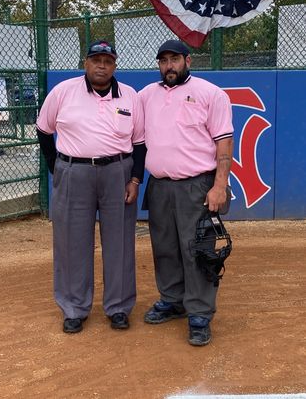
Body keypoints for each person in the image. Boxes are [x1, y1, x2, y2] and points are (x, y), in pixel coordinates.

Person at [36, 40, 145, 334]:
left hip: (117, 173)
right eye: (96, 60)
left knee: (120, 241)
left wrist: (135, 179)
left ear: (114, 66)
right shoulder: (62, 92)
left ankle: (119, 307)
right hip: (74, 171)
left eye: (108, 61)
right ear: (85, 63)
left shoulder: (130, 97)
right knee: (71, 242)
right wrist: (58, 169)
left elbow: (140, 144)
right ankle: (73, 308)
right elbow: (44, 132)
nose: (101, 65)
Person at [139, 39, 233, 346]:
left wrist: (220, 186)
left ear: (187, 61)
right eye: (163, 60)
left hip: (197, 184)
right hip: (160, 185)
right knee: (165, 247)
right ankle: (173, 300)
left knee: (198, 249)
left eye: (174, 59)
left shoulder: (210, 93)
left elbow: (224, 143)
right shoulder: (146, 96)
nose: (169, 65)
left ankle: (200, 314)